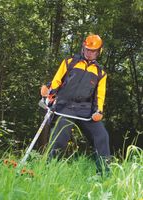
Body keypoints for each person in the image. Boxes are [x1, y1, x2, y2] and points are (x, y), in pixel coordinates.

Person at [41, 34, 111, 175]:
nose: (90, 53)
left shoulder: (100, 73)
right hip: (64, 107)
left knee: (102, 136)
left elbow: (100, 95)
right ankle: (49, 172)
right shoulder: (69, 62)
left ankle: (104, 174)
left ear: (99, 52)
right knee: (60, 137)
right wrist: (48, 93)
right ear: (83, 48)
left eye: (93, 51)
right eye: (87, 49)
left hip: (86, 111)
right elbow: (57, 81)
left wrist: (99, 111)